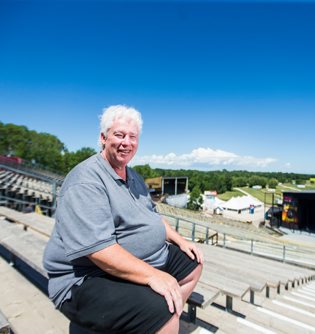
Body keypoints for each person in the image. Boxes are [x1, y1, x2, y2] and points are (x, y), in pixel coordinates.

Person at [43, 105, 203, 334]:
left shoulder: (134, 176)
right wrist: (153, 275)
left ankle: (144, 326)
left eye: (132, 137)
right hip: (88, 277)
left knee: (193, 265)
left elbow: (152, 216)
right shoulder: (86, 181)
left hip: (140, 260)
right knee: (162, 313)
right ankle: (157, 323)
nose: (126, 142)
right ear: (103, 138)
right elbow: (99, 251)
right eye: (119, 135)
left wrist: (180, 240)